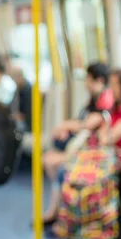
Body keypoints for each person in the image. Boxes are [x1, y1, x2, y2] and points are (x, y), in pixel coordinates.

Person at [41, 62, 113, 226]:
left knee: (53, 164)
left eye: (88, 79)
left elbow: (88, 124)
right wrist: (66, 127)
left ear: (99, 80)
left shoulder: (105, 101)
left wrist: (67, 125)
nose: (86, 83)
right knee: (49, 160)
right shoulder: (92, 100)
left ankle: (58, 210)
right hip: (82, 145)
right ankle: (58, 208)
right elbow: (82, 120)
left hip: (90, 151)